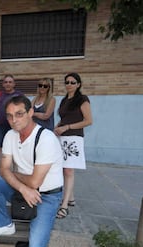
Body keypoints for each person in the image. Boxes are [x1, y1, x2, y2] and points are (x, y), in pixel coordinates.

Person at [0, 95, 63, 247]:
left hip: (46, 196)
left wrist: (13, 175)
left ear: (30, 112)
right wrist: (22, 188)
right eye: (10, 116)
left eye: (19, 114)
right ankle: (4, 224)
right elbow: (3, 170)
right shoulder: (10, 136)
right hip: (22, 190)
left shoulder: (46, 139)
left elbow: (34, 181)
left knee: (36, 244)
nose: (14, 120)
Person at [54, 72, 92, 219]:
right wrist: (57, 128)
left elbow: (88, 121)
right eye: (67, 82)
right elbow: (63, 118)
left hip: (74, 138)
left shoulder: (82, 99)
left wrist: (67, 127)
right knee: (63, 169)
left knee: (68, 171)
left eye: (72, 82)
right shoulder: (64, 100)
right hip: (62, 137)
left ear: (78, 84)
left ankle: (64, 206)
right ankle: (70, 198)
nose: (69, 85)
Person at [0, 74, 23, 171]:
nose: (8, 84)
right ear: (3, 84)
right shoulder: (0, 94)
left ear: (14, 84)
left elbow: (23, 109)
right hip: (0, 125)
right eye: (6, 82)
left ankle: (15, 169)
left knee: (14, 147)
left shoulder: (19, 95)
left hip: (13, 126)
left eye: (10, 82)